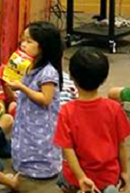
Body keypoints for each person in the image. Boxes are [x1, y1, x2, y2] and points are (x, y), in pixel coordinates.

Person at [54, 47, 130, 193]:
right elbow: (122, 145)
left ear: (71, 77)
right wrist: (125, 172)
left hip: (78, 179)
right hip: (109, 177)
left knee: (61, 175)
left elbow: (68, 150)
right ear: (104, 79)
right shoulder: (115, 108)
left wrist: (81, 177)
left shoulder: (66, 111)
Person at [6, 21, 63, 179]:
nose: (23, 44)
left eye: (29, 41)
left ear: (44, 46)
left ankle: (42, 170)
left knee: (39, 143)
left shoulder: (48, 72)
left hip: (41, 121)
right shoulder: (28, 64)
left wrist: (23, 88)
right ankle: (22, 165)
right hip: (27, 116)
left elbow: (46, 99)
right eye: (23, 40)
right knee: (24, 139)